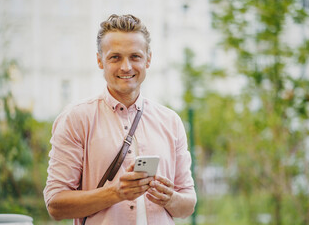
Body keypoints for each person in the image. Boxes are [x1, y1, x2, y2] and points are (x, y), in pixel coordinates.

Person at [43, 14, 197, 225]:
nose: (126, 67)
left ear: (148, 59)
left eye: (135, 56)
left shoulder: (171, 121)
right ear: (100, 60)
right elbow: (55, 205)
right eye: (115, 57)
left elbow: (188, 205)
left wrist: (171, 199)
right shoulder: (76, 119)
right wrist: (115, 193)